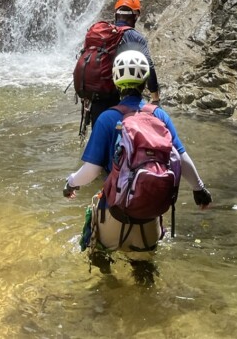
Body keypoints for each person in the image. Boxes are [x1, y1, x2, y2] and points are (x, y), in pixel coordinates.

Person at [63, 49, 213, 284]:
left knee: (99, 257)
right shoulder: (160, 115)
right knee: (145, 273)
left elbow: (90, 172)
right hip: (149, 220)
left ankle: (106, 297)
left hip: (112, 217)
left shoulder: (108, 119)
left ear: (115, 81)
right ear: (145, 80)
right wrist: (200, 190)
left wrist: (70, 183)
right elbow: (182, 159)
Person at [77, 0, 161, 134]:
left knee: (99, 138)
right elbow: (149, 66)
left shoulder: (102, 34)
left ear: (116, 14)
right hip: (117, 97)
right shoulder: (134, 37)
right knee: (120, 138)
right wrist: (155, 97)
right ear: (135, 16)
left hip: (95, 96)